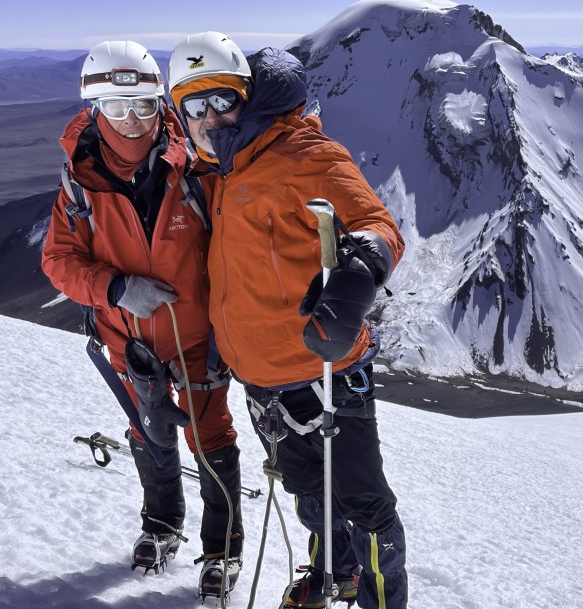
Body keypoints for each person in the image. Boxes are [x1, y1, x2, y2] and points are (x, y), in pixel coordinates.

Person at [167, 32, 408, 609]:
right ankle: (335, 573)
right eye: (192, 107)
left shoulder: (307, 155)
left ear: (246, 100)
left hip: (324, 371)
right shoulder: (218, 170)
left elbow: (377, 225)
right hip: (263, 380)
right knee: (309, 495)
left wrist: (356, 278)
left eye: (219, 100)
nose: (207, 117)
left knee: (365, 506)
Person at [41, 40, 243, 598]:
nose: (131, 122)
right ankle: (162, 523)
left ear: (162, 105)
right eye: (114, 108)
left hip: (199, 336)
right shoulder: (79, 182)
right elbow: (58, 260)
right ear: (93, 109)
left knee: (209, 435)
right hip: (128, 339)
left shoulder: (198, 165)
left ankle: (222, 548)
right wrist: (116, 288)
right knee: (148, 427)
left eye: (144, 107)